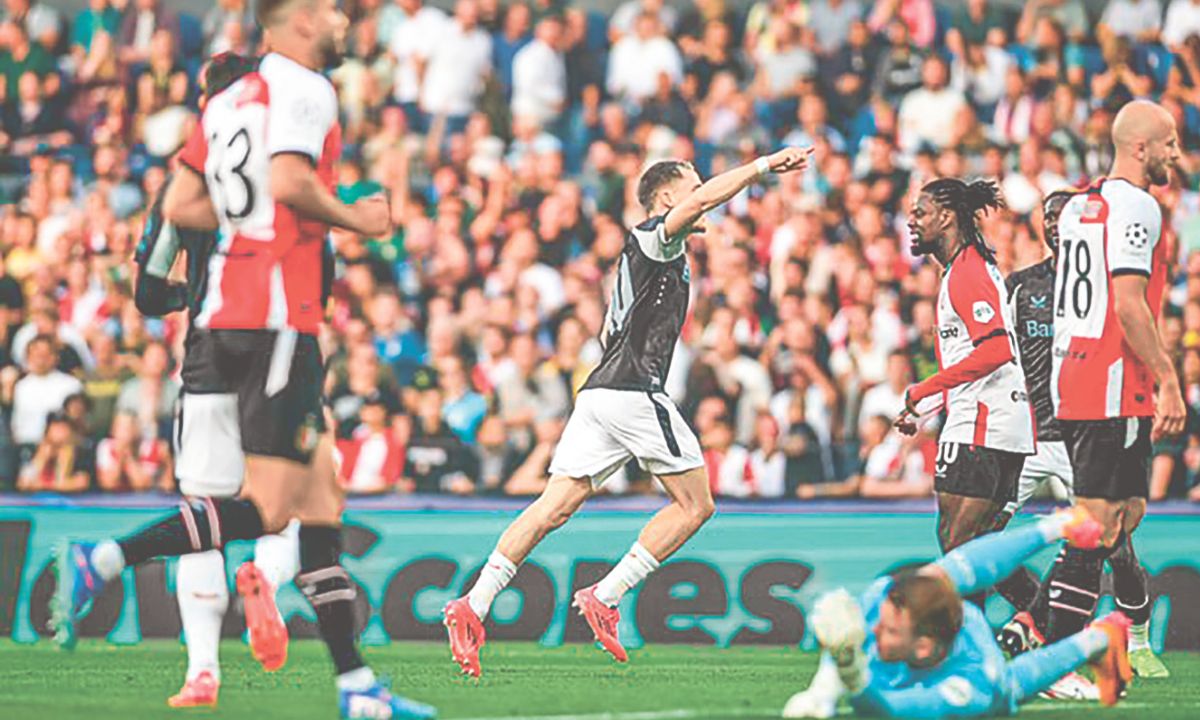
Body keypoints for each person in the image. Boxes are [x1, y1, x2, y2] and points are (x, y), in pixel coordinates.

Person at [49, 2, 434, 717]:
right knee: (268, 508)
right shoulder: (303, 87)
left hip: (221, 317)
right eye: (329, 9)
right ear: (294, 22)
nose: (344, 18)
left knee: (323, 506)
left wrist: (243, 212)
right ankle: (102, 559)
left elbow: (183, 203)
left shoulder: (224, 100)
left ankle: (359, 690)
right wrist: (360, 218)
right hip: (277, 315)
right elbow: (289, 184)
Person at [443, 146, 814, 677]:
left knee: (554, 507)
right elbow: (707, 198)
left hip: (598, 395)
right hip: (634, 393)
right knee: (696, 506)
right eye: (692, 187)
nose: (702, 195)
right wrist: (762, 166)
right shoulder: (656, 238)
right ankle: (607, 594)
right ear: (666, 198)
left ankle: (472, 605)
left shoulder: (655, 254)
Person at [127, 51, 306, 708]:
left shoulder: (184, 180)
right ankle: (263, 573)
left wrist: (190, 296)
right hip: (277, 352)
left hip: (206, 355)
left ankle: (202, 671)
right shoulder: (287, 167)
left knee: (202, 515)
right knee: (287, 511)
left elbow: (144, 289)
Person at [1043, 99, 1187, 681]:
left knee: (1125, 516)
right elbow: (1127, 304)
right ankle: (1053, 663)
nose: (1176, 154)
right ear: (1140, 148)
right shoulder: (1139, 207)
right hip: (1110, 382)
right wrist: (1169, 380)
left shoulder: (1081, 205)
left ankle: (1050, 634)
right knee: (1097, 524)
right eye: (1169, 143)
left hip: (1075, 376)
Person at [781, 509, 1133, 718]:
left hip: (976, 670)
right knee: (939, 574)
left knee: (1008, 690)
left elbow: (891, 711)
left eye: (887, 631)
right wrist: (821, 692)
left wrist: (847, 676)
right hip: (931, 619)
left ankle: (1101, 637)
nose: (874, 632)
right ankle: (1058, 524)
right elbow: (848, 635)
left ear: (922, 647)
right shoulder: (884, 600)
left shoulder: (972, 684)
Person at [893, 178, 1036, 606]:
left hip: (984, 422)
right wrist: (926, 404)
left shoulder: (968, 271)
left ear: (947, 216)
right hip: (993, 419)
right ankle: (1051, 630)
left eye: (920, 213)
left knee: (960, 548)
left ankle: (970, 656)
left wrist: (925, 388)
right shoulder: (965, 268)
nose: (911, 221)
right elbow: (969, 358)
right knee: (978, 550)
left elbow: (996, 349)